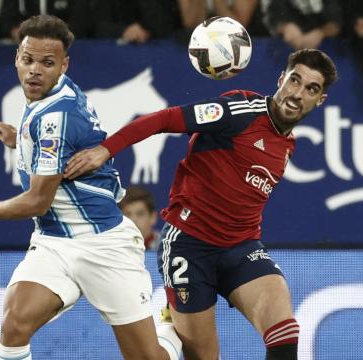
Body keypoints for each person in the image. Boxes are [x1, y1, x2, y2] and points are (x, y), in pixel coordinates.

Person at [64, 48, 338, 359]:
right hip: (189, 247)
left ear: (320, 100)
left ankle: (172, 320)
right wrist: (105, 149)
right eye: (294, 81)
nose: (298, 93)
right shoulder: (239, 110)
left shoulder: (286, 144)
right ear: (281, 79)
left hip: (240, 248)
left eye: (311, 89)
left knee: (285, 332)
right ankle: (171, 321)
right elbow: (165, 118)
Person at [0, 15, 181, 360]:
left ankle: (169, 330)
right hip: (54, 243)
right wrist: (20, 139)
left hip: (104, 245)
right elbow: (54, 147)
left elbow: (39, 201)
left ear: (64, 64)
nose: (34, 71)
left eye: (47, 63)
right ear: (16, 58)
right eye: (27, 60)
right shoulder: (53, 93)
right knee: (14, 324)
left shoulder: (56, 115)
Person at [262, 0, 342, 50]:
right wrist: (285, 27)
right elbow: (272, 16)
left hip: (328, 51)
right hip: (283, 52)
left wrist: (321, 33)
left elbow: (337, 21)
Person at [0, 0, 91, 42]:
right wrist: (16, 32)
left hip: (66, 50)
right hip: (25, 50)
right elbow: (5, 22)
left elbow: (80, 22)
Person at [119, 185, 161, 250]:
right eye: (128, 214)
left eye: (140, 214)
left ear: (153, 217)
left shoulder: (168, 247)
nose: (133, 220)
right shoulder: (111, 248)